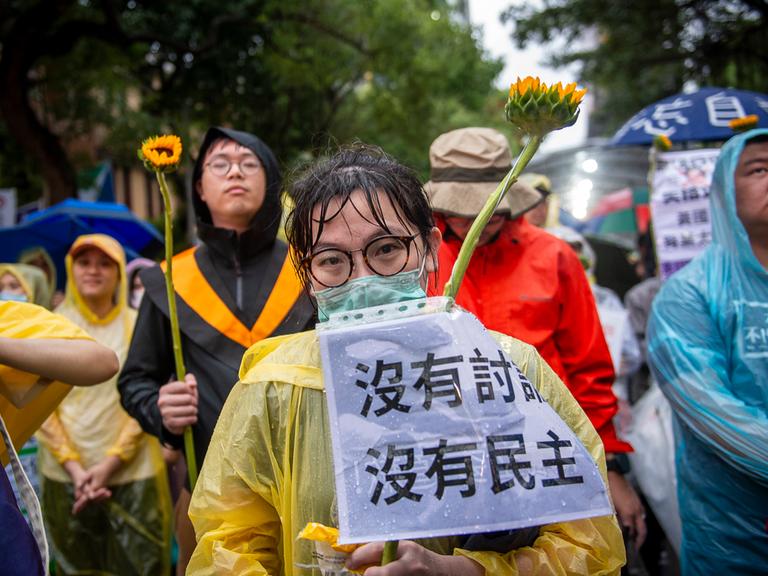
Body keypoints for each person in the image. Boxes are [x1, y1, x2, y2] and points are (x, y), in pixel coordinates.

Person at [186, 145, 625, 575]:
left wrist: (465, 570)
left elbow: (586, 540)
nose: (362, 280)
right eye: (332, 260)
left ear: (430, 247)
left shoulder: (509, 370)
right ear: (305, 271)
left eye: (386, 249)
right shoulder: (275, 388)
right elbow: (226, 545)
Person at [425, 127, 646, 547]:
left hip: (547, 454)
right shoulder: (417, 256)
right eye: (458, 210)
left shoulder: (554, 255)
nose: (474, 220)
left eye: (486, 209)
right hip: (448, 463)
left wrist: (611, 464)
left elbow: (589, 370)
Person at [118, 127, 315, 571]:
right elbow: (135, 381)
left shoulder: (311, 268)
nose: (235, 173)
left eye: (250, 163)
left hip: (308, 487)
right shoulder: (168, 281)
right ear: (199, 189)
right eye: (220, 164)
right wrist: (160, 410)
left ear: (269, 182)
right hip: (207, 493)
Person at [647, 128, 768, 573]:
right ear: (724, 191)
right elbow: (715, 415)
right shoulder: (688, 295)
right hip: (735, 540)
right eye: (758, 169)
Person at [37, 234, 172, 575]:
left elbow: (146, 394)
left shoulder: (137, 325)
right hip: (66, 474)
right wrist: (75, 467)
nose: (93, 271)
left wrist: (110, 464)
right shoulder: (49, 326)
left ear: (118, 273)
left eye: (104, 263)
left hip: (133, 471)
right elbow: (41, 407)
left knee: (140, 565)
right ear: (71, 269)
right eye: (84, 262)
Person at [1, 300, 119, 576]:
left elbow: (102, 361)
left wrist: (114, 460)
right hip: (61, 466)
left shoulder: (9, 318)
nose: (93, 272)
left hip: (126, 465)